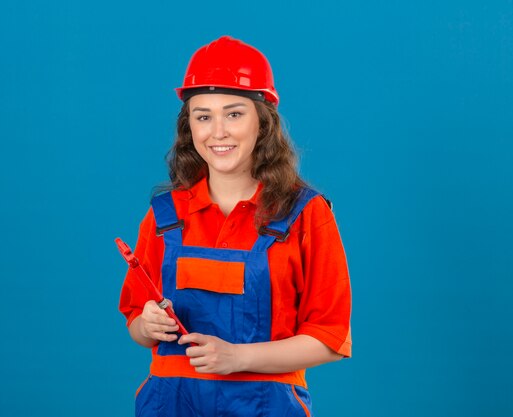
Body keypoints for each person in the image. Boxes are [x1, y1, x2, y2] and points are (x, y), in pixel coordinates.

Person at [119, 35, 351, 416]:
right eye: (203, 116)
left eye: (234, 113)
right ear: (189, 127)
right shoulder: (164, 217)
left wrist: (238, 357)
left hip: (265, 403)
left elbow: (330, 339)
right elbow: (136, 326)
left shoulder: (305, 213)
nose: (218, 131)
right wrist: (148, 324)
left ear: (263, 122)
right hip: (171, 403)